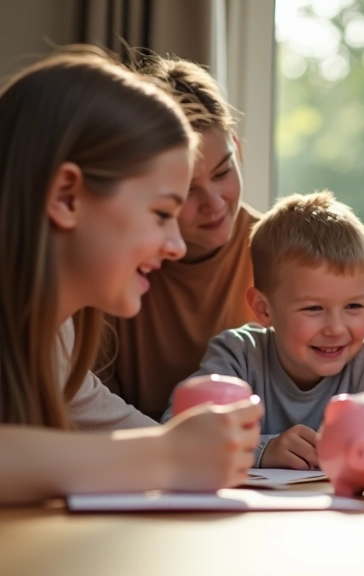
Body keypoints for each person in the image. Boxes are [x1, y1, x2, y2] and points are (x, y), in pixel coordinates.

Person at [0, 48, 262, 531]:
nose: (174, 246)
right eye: (163, 212)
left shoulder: (53, 336)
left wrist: (218, 452)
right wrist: (168, 454)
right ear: (66, 198)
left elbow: (130, 436)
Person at [164, 191, 364, 469]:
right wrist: (263, 449)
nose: (336, 328)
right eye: (314, 309)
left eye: (354, 307)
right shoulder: (237, 356)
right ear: (264, 309)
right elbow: (177, 433)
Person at [99, 51, 259, 422]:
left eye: (222, 173)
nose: (215, 203)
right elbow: (89, 411)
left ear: (237, 147)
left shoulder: (280, 250)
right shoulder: (114, 270)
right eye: (188, 190)